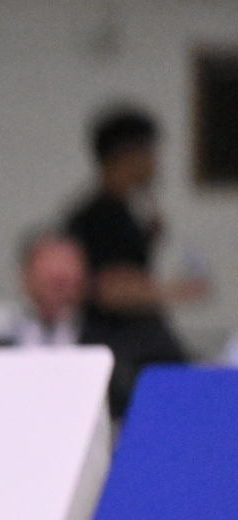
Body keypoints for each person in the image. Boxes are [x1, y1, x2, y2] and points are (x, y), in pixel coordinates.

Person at [64, 105, 204, 419]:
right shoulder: (99, 217)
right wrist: (176, 291)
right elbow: (106, 289)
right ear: (128, 154)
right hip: (124, 352)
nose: (157, 160)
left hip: (139, 346)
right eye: (150, 151)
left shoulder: (129, 210)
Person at [0, 229, 88, 349]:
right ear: (25, 276)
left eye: (66, 266)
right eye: (48, 269)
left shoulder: (96, 338)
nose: (58, 275)